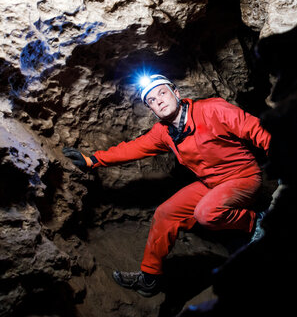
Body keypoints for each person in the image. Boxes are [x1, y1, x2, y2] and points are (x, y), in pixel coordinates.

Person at [63, 74, 271, 297]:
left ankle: (256, 221)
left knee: (206, 213)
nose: (158, 100)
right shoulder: (163, 132)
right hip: (211, 184)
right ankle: (150, 278)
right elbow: (132, 148)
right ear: (151, 109)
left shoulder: (211, 109)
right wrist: (93, 160)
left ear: (176, 94)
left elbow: (257, 130)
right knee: (165, 213)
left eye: (162, 93)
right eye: (151, 100)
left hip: (244, 177)